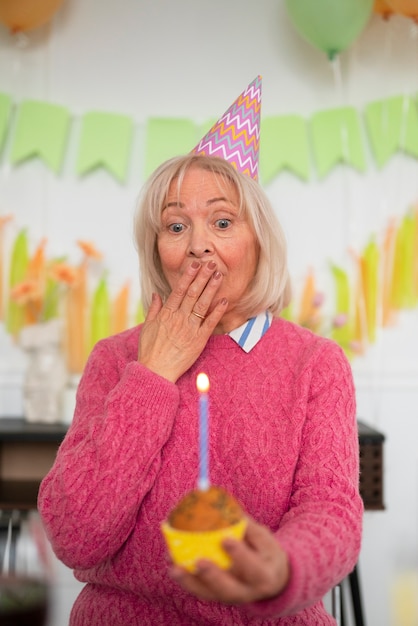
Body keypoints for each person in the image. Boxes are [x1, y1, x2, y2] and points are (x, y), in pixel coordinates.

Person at [38, 76, 363, 625]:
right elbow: (76, 535)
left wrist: (282, 568)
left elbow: (330, 509)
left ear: (258, 241)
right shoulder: (114, 360)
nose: (198, 245)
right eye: (175, 225)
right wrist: (154, 373)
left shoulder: (315, 364)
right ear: (156, 248)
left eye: (222, 221)